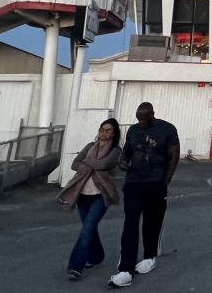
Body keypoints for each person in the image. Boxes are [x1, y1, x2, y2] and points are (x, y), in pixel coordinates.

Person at [109, 102, 180, 288]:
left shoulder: (168, 129)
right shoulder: (133, 130)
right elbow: (126, 153)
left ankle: (149, 257)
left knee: (152, 223)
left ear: (152, 114)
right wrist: (123, 162)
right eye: (138, 119)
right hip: (134, 182)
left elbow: (174, 156)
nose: (141, 122)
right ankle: (126, 269)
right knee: (130, 223)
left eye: (144, 119)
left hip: (156, 183)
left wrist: (165, 181)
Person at [58, 118, 122, 281]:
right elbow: (74, 164)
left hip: (101, 195)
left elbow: (104, 164)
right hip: (82, 194)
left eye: (108, 130)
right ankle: (96, 256)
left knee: (87, 229)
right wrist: (93, 163)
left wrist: (86, 162)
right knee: (89, 228)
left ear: (114, 134)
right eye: (102, 129)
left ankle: (75, 266)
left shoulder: (115, 151)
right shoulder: (89, 147)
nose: (104, 132)